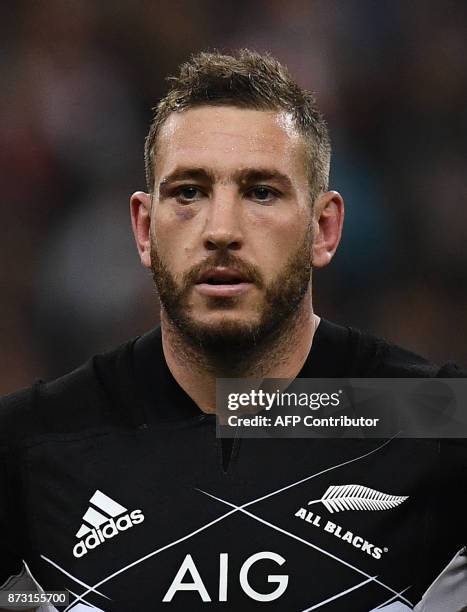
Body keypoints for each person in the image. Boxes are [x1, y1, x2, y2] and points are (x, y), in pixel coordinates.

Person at [0, 49, 466, 612]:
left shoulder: (442, 421)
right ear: (144, 229)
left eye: (261, 192)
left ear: (325, 227)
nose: (221, 230)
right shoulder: (28, 447)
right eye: (189, 193)